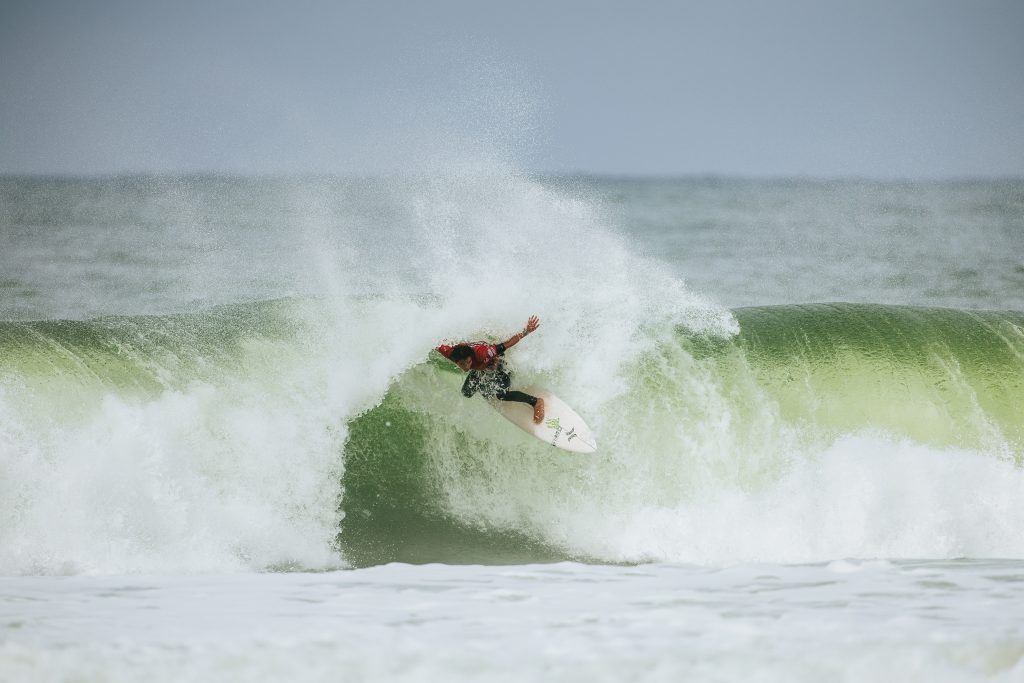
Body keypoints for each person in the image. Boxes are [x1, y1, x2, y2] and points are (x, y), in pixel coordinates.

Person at [436, 315, 545, 423]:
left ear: (471, 357)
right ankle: (485, 384)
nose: (466, 367)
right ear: (456, 360)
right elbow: (433, 340)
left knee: (501, 395)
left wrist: (527, 331)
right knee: (466, 393)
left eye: (468, 362)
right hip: (481, 369)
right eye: (462, 364)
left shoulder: (484, 353)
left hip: (497, 364)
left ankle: (535, 402)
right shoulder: (448, 352)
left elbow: (508, 344)